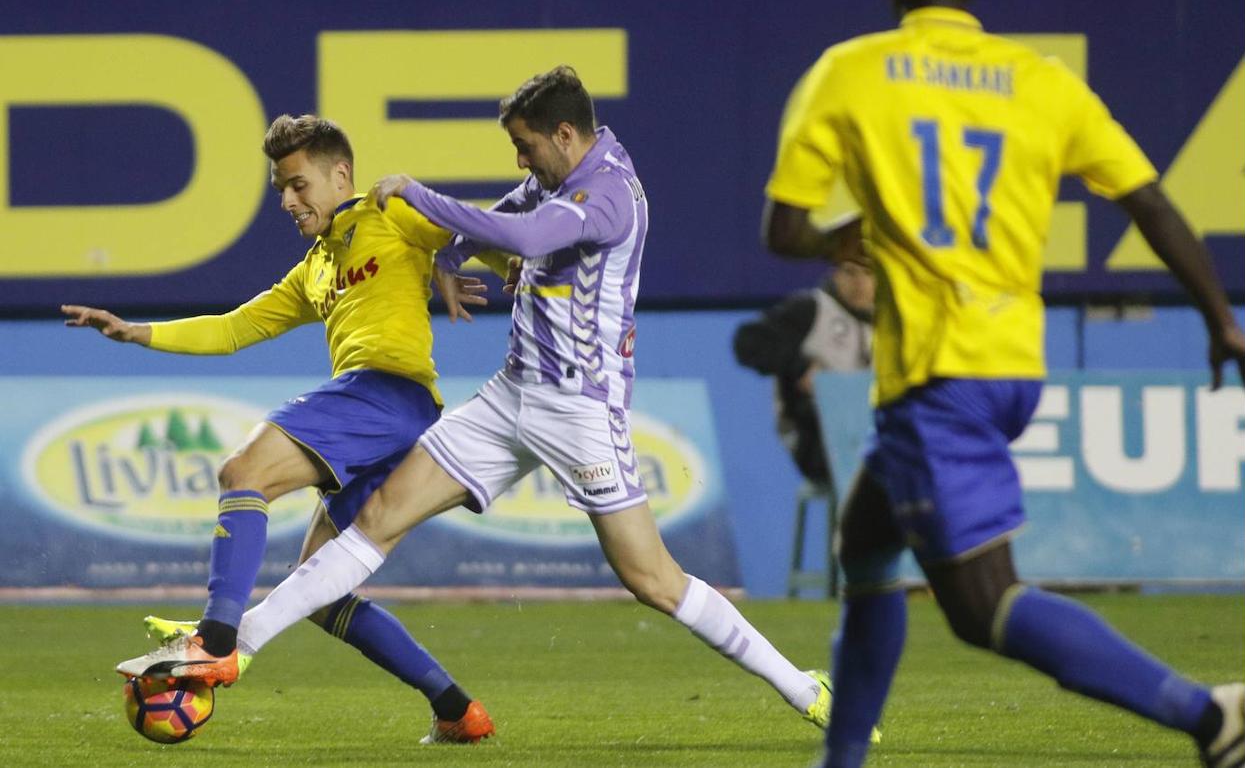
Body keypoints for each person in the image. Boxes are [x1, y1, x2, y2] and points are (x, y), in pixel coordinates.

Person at [126, 65, 837, 731]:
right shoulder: (553, 174)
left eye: (527, 148)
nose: (521, 162)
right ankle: (229, 646)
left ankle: (803, 686)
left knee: (651, 578)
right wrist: (444, 257)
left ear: (565, 135)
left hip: (579, 410)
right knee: (375, 518)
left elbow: (523, 234)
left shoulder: (610, 193)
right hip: (510, 397)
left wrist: (412, 192)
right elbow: (484, 225)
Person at [762, 0, 1245, 767]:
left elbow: (783, 229)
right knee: (864, 542)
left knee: (983, 605)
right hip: (1012, 363)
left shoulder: (851, 71)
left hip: (939, 371)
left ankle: (1208, 715)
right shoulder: (1042, 81)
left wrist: (847, 237)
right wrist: (1221, 321)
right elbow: (1147, 200)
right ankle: (842, 758)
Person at [72, 113, 502, 743]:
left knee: (243, 472)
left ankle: (215, 640)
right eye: (280, 187)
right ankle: (457, 710)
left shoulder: (387, 213)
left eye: (298, 184)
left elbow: (467, 228)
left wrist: (492, 263)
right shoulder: (316, 269)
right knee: (321, 594)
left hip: (389, 394)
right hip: (390, 422)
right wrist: (137, 332)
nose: (287, 200)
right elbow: (232, 328)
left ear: (341, 175)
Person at [733, 221, 874, 488]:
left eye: (868, 274)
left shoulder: (895, 319)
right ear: (834, 274)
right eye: (849, 273)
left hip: (876, 433)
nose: (859, 284)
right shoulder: (810, 310)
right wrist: (800, 368)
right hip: (817, 441)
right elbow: (748, 342)